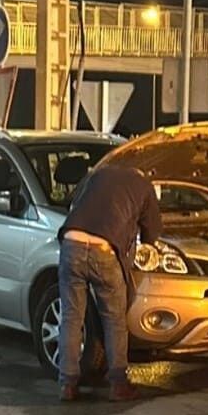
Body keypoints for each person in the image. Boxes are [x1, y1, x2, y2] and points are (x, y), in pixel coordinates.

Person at [57, 163, 162, 402]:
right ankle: (118, 384)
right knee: (114, 319)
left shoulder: (97, 174)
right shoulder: (144, 185)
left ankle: (67, 384)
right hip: (103, 251)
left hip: (70, 244)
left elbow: (73, 203)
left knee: (71, 318)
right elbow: (152, 233)